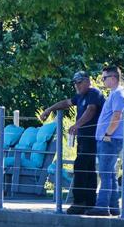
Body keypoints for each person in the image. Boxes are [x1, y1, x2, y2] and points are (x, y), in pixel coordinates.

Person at [40, 70, 104, 214]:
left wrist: (77, 124)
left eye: (80, 82)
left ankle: (80, 201)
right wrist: (49, 109)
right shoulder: (79, 97)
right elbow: (66, 103)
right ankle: (89, 202)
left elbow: (91, 110)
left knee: (81, 166)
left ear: (88, 81)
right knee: (88, 168)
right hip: (82, 138)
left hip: (91, 137)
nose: (77, 86)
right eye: (75, 83)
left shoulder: (94, 94)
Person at [91, 65, 124, 216]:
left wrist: (107, 134)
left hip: (110, 140)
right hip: (109, 139)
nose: (103, 81)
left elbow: (117, 116)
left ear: (113, 78)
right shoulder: (114, 94)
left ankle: (102, 207)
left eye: (104, 78)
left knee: (105, 174)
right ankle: (114, 207)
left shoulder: (119, 94)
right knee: (110, 174)